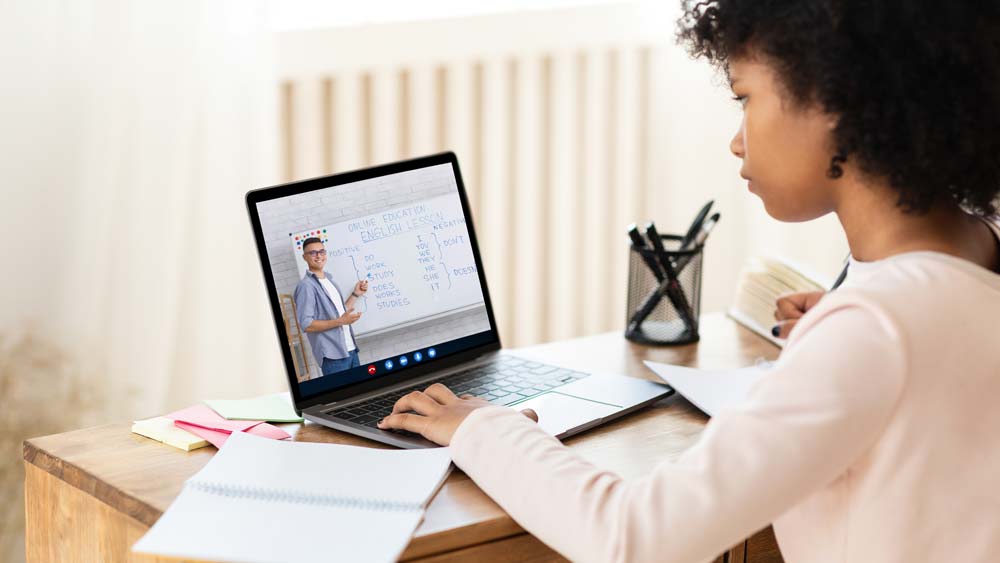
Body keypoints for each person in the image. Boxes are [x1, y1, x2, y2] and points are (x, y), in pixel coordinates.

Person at [378, 1, 1000, 561]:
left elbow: (634, 538)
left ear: (836, 106)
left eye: (745, 98)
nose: (736, 141)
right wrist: (848, 330)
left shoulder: (875, 331)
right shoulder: (973, 260)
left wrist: (482, 428)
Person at [293, 237, 368, 376]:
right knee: (343, 397)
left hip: (350, 350)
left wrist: (356, 294)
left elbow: (338, 312)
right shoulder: (306, 286)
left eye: (321, 251)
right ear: (305, 257)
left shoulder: (329, 280)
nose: (319, 256)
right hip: (333, 357)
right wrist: (340, 322)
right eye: (313, 253)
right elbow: (306, 324)